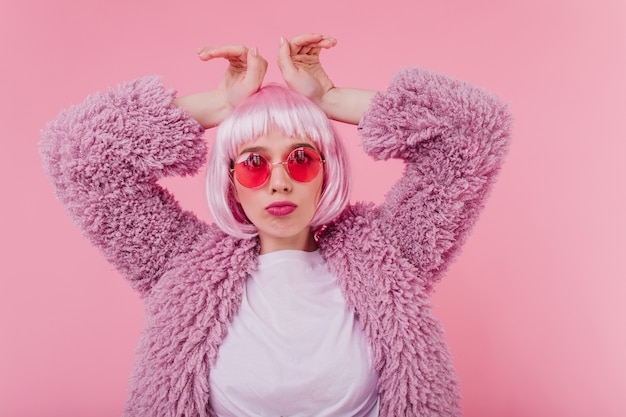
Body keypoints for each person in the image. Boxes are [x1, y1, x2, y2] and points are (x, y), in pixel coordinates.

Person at [40, 33, 512, 417]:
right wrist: (222, 106)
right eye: (253, 163)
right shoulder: (180, 267)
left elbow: (472, 132)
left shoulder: (388, 257)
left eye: (302, 159)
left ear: (326, 170)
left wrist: (330, 98)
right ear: (232, 181)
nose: (279, 183)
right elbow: (83, 154)